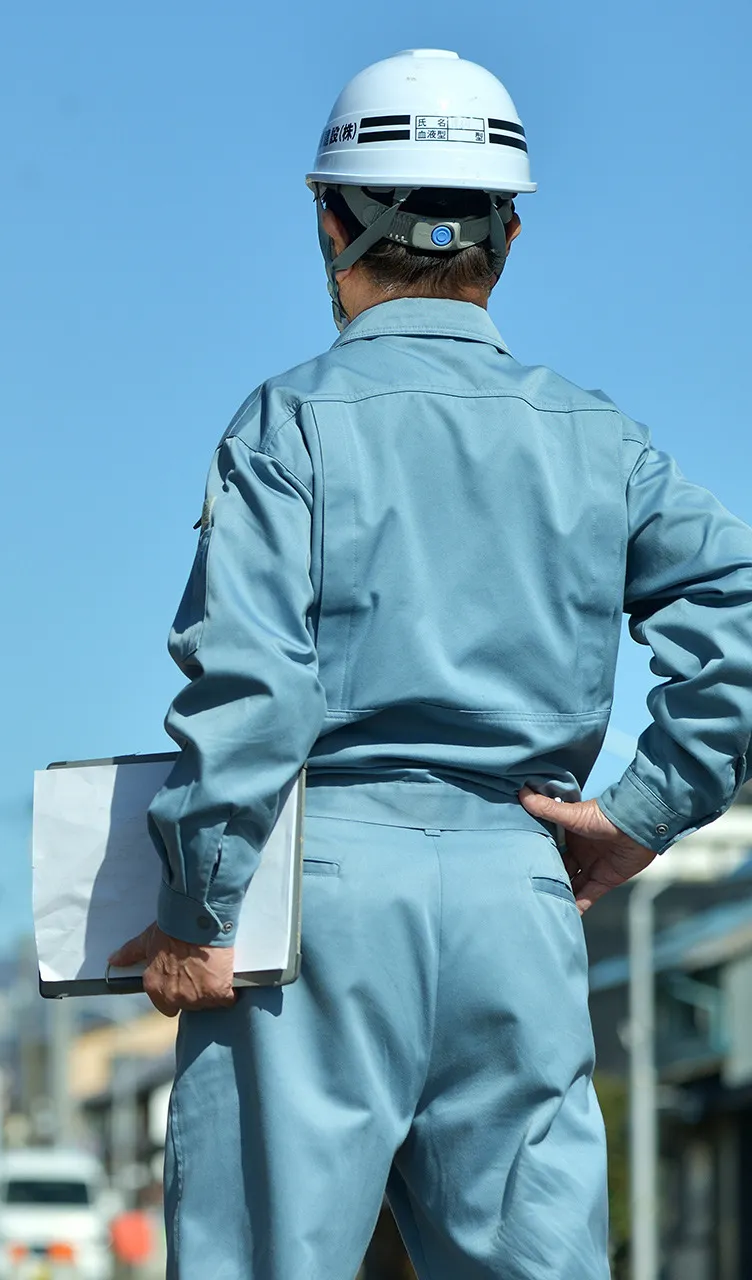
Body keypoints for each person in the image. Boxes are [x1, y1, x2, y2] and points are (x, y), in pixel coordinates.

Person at [109, 48, 752, 1277]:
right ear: (506, 234)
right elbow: (742, 599)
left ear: (331, 219)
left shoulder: (289, 422)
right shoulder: (599, 438)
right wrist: (643, 811)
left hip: (315, 896)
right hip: (522, 890)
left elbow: (254, 684)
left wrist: (197, 906)